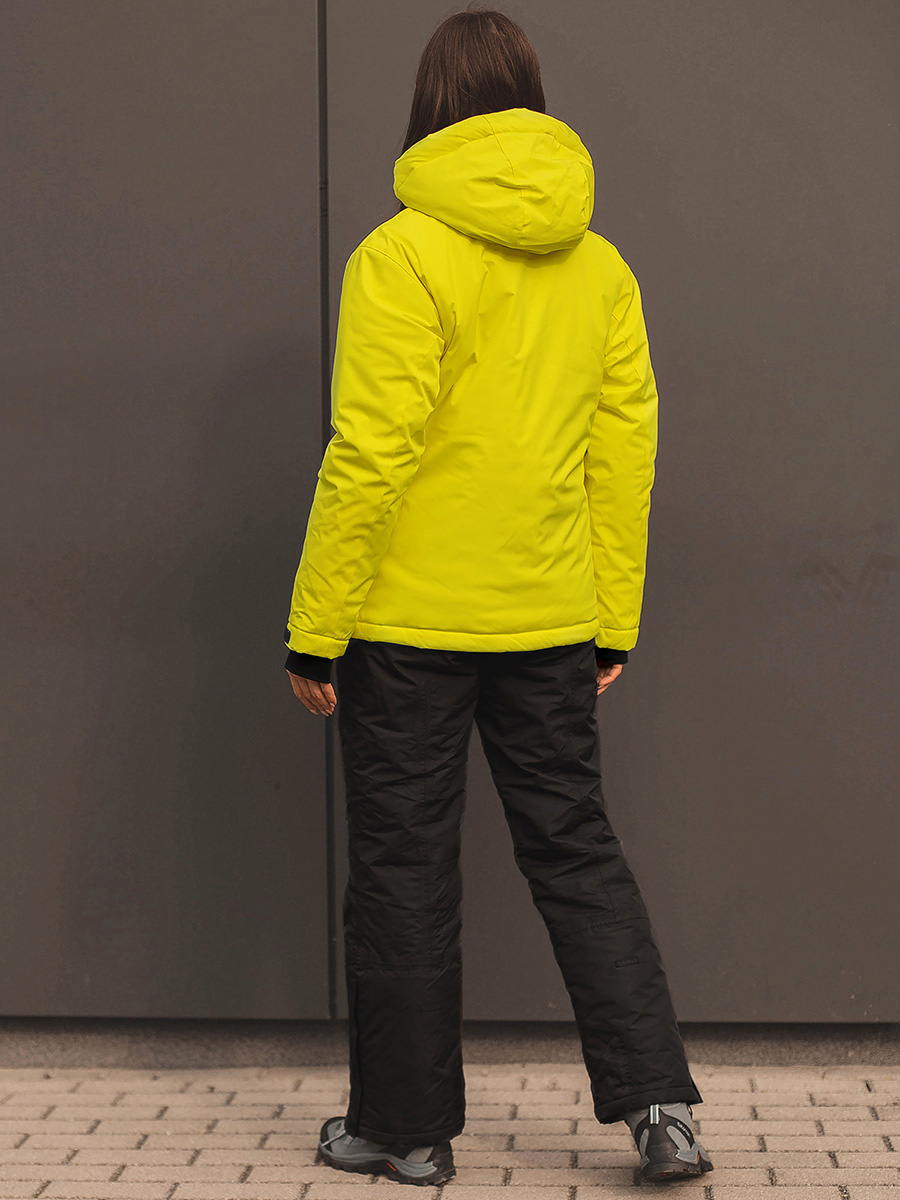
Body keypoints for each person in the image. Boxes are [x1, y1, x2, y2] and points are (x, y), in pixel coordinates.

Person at [283, 6, 714, 1188]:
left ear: (432, 107)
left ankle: (405, 1131)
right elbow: (622, 459)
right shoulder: (601, 267)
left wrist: (315, 630)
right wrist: (611, 620)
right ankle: (663, 1109)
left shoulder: (399, 254)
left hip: (406, 630)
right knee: (577, 854)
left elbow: (370, 453)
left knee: (404, 871)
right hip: (549, 619)